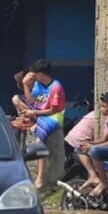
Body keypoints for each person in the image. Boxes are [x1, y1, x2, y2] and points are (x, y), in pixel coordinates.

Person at [21, 60, 66, 189]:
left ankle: (40, 178)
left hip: (53, 117)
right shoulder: (38, 85)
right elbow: (32, 100)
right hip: (39, 114)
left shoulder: (56, 87)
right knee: (16, 100)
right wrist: (25, 85)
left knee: (40, 139)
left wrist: (34, 113)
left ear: (41, 74)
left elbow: (54, 110)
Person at [64, 108, 100, 189]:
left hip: (71, 138)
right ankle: (92, 177)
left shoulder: (95, 114)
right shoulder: (100, 117)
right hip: (79, 141)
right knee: (93, 155)